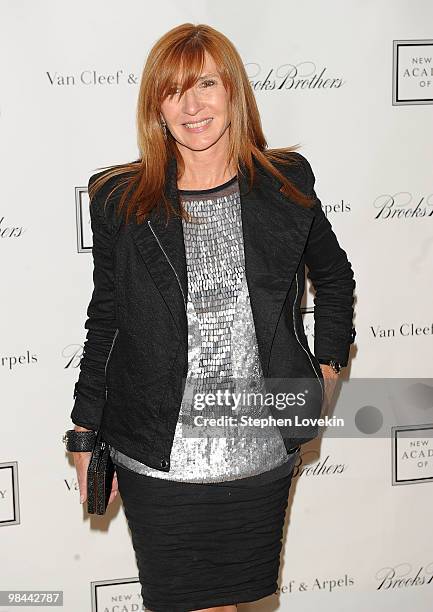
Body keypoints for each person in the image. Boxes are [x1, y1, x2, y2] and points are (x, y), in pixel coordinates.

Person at [64, 22, 356, 612]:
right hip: (155, 449)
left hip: (261, 447)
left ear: (233, 92)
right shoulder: (121, 200)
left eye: (206, 84)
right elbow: (107, 319)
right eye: (174, 91)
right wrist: (84, 429)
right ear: (157, 108)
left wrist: (327, 364)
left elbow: (335, 277)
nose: (192, 105)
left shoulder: (283, 184)